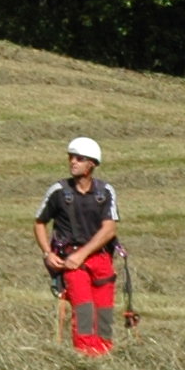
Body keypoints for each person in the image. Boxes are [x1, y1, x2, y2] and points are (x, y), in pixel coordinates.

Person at [35, 137, 121, 356]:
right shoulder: (58, 191)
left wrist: (82, 254)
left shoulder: (105, 192)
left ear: (91, 164)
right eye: (71, 157)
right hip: (72, 263)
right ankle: (85, 356)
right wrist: (47, 253)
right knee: (84, 311)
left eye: (79, 158)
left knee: (104, 313)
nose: (73, 162)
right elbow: (39, 223)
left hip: (100, 260)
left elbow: (109, 229)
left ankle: (104, 355)